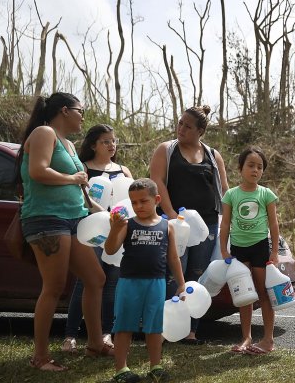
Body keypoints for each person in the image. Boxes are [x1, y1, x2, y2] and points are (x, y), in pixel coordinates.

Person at [17, 92, 112, 372]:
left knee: (96, 278)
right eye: (79, 110)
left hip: (74, 220)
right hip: (47, 220)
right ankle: (41, 357)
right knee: (54, 287)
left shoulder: (69, 145)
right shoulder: (44, 132)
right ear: (63, 110)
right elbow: (38, 171)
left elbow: (81, 192)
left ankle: (95, 344)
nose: (83, 116)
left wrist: (104, 212)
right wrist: (73, 177)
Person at [149, 105, 228, 344]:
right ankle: (164, 330)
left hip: (208, 226)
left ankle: (190, 331)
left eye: (188, 126)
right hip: (176, 224)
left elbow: (224, 189)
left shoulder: (213, 156)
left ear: (201, 131)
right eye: (180, 123)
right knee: (174, 274)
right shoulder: (166, 149)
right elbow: (157, 182)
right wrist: (172, 215)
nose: (181, 128)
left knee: (197, 276)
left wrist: (230, 218)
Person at [104, 178, 185, 383]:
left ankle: (155, 366)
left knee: (154, 326)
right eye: (134, 203)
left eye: (143, 201)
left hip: (156, 283)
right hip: (129, 282)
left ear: (157, 199)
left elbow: (173, 258)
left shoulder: (168, 226)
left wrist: (182, 283)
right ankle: (121, 369)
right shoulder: (127, 224)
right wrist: (114, 229)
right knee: (124, 325)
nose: (138, 206)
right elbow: (110, 249)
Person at [63, 124, 132, 353]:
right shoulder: (83, 168)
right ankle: (70, 336)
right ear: (93, 145)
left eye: (114, 140)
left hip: (117, 231)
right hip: (91, 230)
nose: (112, 145)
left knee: (112, 282)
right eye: (106, 141)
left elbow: (132, 202)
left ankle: (105, 334)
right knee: (86, 281)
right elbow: (80, 201)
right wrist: (104, 215)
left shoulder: (123, 170)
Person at [219, 147, 281, 354]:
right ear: (240, 168)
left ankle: (268, 340)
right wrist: (224, 249)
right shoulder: (231, 195)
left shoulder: (266, 194)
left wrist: (274, 252)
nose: (255, 170)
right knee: (245, 294)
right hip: (238, 248)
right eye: (251, 165)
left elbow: (273, 225)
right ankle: (246, 338)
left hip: (260, 248)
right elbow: (225, 223)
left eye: (260, 167)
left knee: (264, 293)